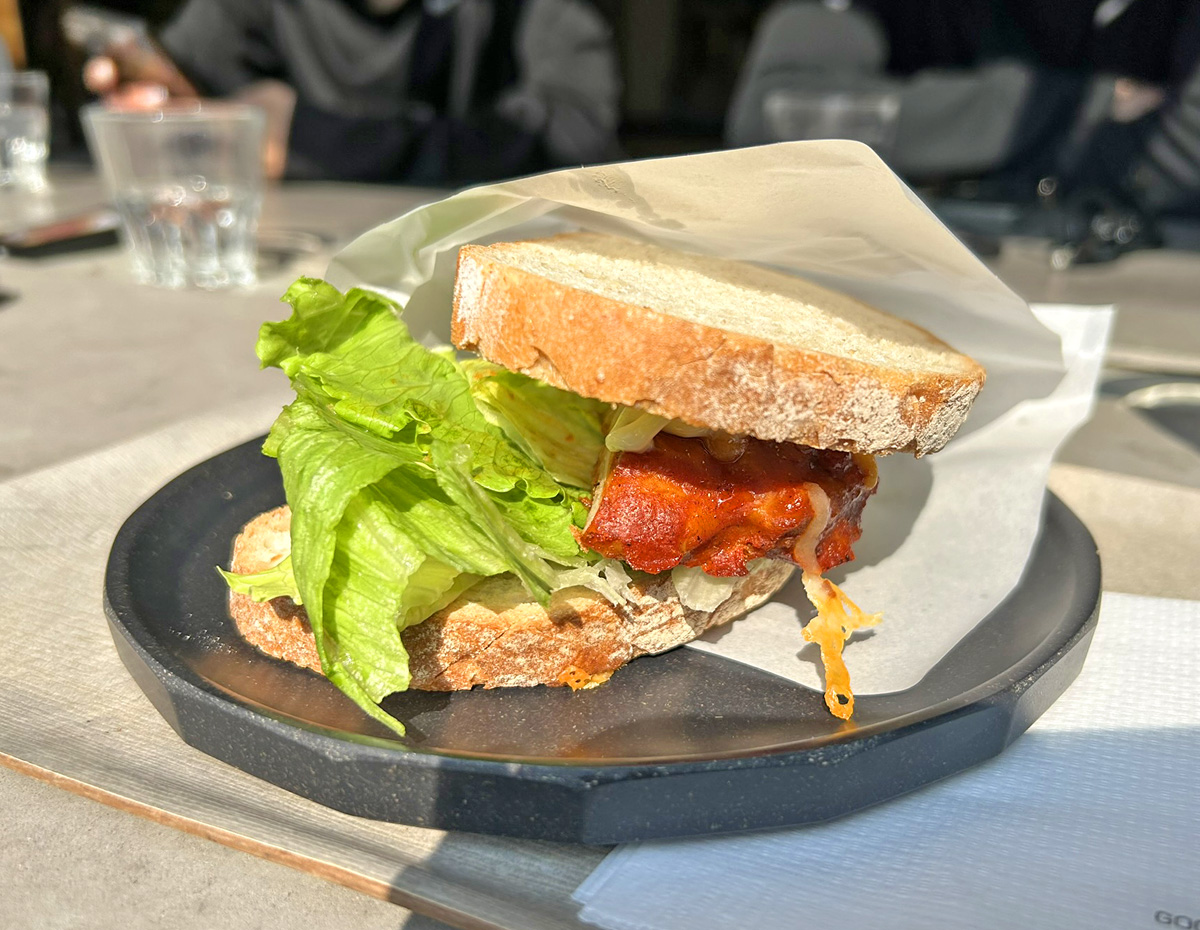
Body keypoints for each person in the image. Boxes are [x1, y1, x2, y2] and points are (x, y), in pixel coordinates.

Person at [728, 0, 1200, 220]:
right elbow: (773, 114)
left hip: (1140, 304)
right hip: (917, 275)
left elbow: (1178, 165)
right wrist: (1062, 109)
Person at [84, 0, 621, 184]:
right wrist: (157, 94)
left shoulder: (527, 12)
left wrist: (320, 141)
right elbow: (181, 84)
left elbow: (582, 136)